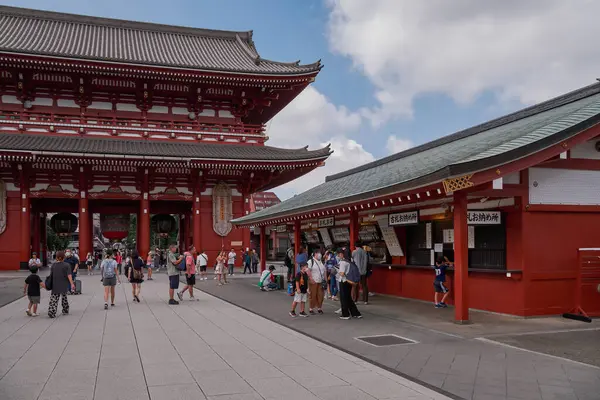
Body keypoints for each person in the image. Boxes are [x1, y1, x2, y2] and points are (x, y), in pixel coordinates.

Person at [48, 251, 75, 318]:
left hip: (55, 283)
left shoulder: (53, 265)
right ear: (64, 257)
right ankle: (65, 309)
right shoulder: (66, 265)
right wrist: (72, 284)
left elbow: (51, 275)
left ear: (56, 257)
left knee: (54, 298)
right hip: (63, 283)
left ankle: (52, 311)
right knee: (64, 297)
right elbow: (69, 275)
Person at [336, 250, 362, 320]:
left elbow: (342, 273)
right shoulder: (350, 261)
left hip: (344, 281)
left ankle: (345, 314)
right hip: (349, 282)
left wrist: (337, 270)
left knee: (343, 298)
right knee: (348, 298)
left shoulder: (343, 262)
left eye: (339, 254)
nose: (338, 256)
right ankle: (355, 313)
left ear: (342, 254)